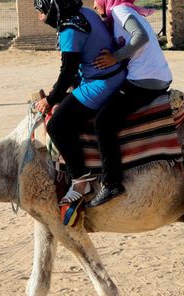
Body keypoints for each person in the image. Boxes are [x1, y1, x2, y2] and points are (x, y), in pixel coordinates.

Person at [34, 0, 126, 205]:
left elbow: (67, 72)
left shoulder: (69, 29)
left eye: (40, 12)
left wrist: (49, 100)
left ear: (51, 9)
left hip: (102, 83)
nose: (40, 17)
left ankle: (80, 179)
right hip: (108, 75)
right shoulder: (84, 13)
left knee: (56, 125)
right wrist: (58, 94)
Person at [88, 0, 173, 206]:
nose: (94, 5)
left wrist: (115, 57)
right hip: (155, 77)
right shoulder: (122, 13)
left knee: (103, 122)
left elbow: (140, 37)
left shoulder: (120, 10)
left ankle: (111, 183)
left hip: (143, 81)